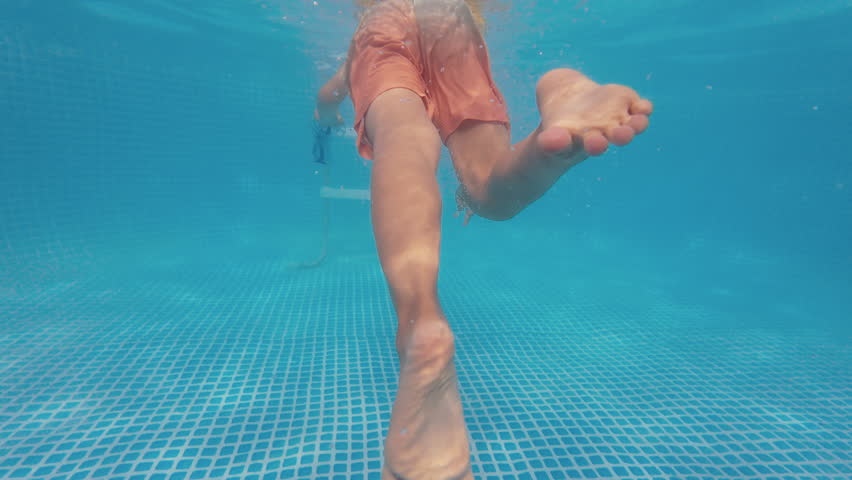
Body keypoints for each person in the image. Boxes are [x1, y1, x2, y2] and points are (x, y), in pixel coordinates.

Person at [313, 1, 653, 478]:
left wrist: (326, 106)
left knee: (403, 134)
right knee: (488, 189)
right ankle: (557, 95)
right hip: (451, 15)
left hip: (387, 18)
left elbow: (332, 92)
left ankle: (420, 324)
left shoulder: (372, 19)